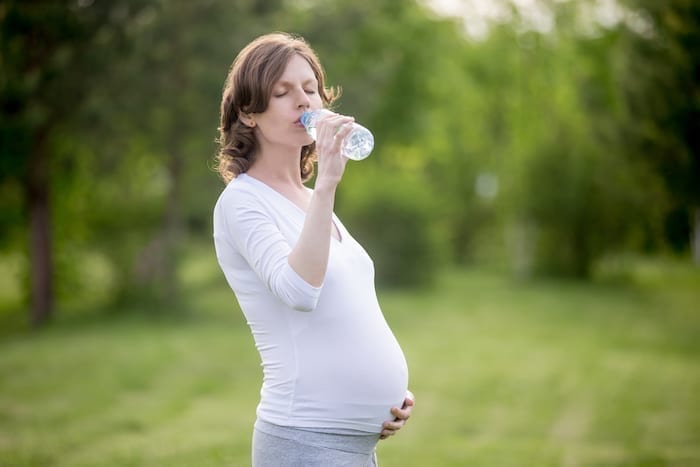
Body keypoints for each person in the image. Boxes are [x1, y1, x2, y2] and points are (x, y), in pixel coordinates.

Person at [212, 32, 414, 467]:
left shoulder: (306, 198)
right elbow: (300, 292)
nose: (303, 102)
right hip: (306, 442)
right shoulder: (243, 201)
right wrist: (327, 184)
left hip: (356, 446)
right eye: (282, 93)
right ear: (249, 113)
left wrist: (388, 394)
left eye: (310, 89)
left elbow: (345, 312)